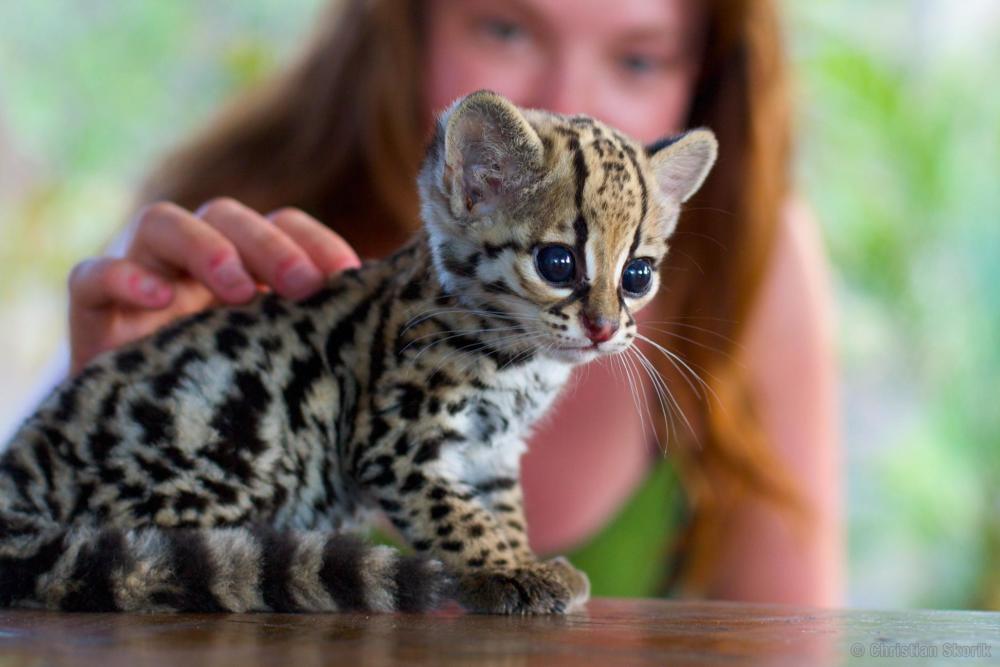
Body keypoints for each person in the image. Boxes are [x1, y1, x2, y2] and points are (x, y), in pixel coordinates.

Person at [66, 0, 842, 605]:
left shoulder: (749, 265)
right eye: (506, 27)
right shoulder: (225, 231)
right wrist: (120, 421)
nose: (566, 102)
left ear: (703, 72)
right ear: (406, 20)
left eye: (637, 58)